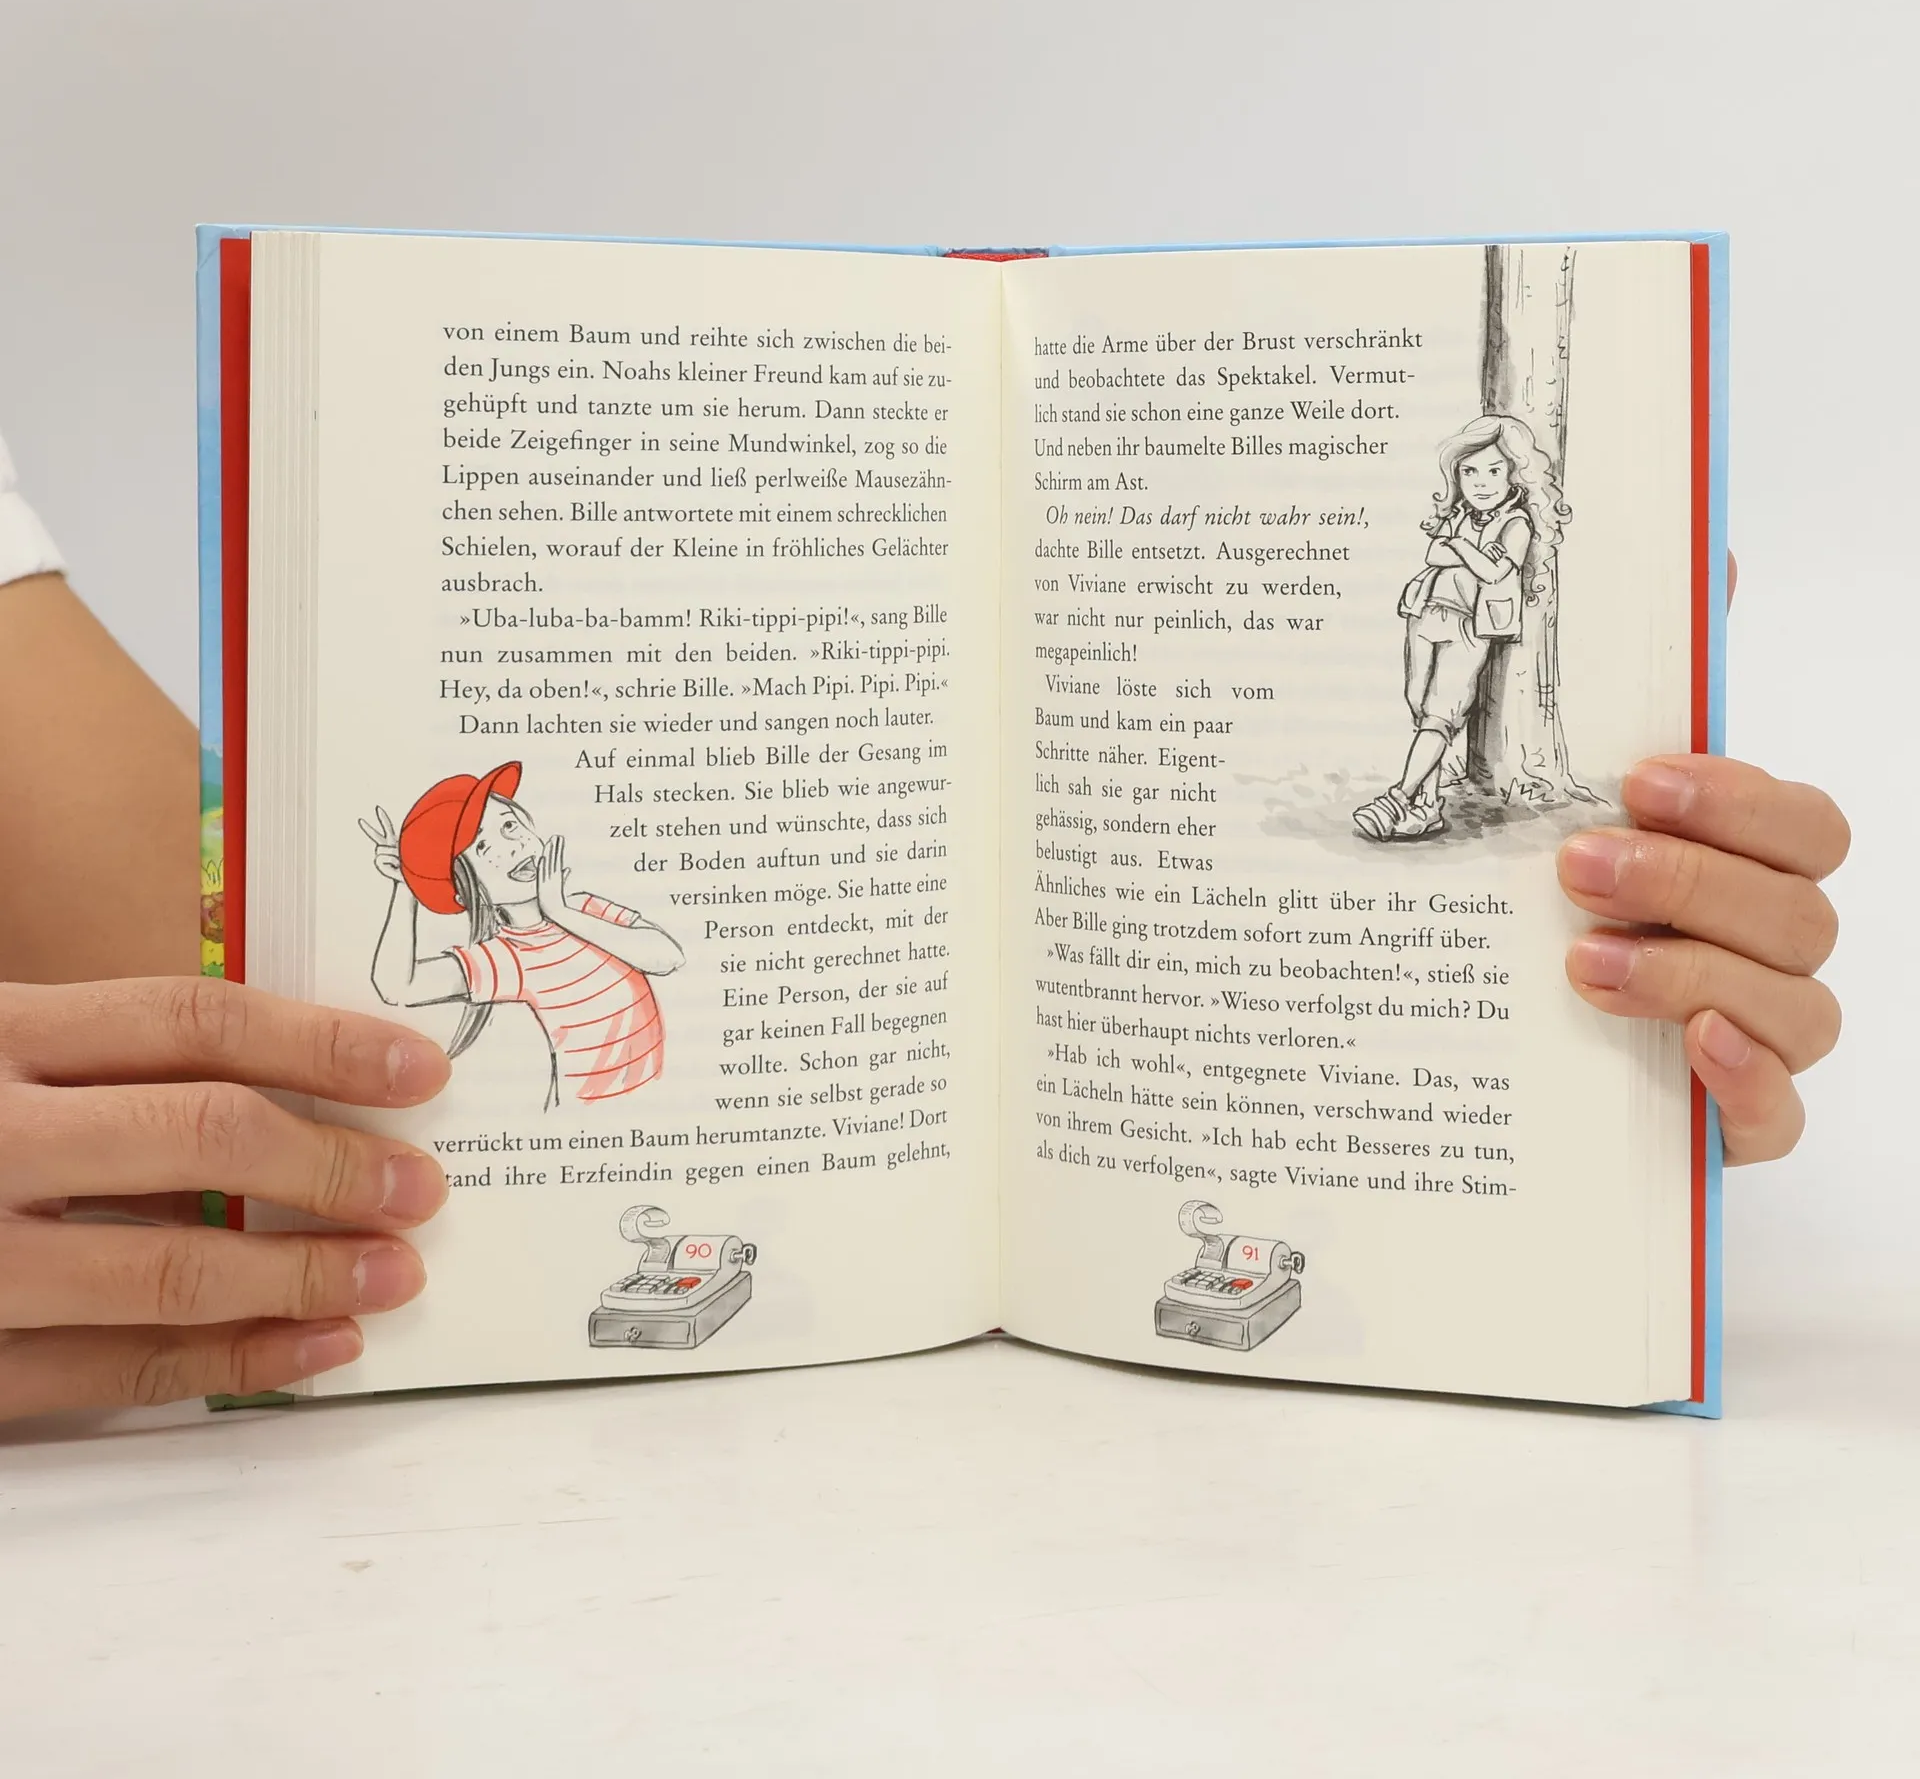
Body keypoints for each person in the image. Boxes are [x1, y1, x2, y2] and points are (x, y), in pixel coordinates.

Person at [0, 429, 1848, 1423]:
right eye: (503, 835)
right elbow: (359, 1032)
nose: (530, 840)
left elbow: (215, 1032)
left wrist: (1525, 1031)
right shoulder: (486, 938)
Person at [361, 761, 683, 1107]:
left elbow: (668, 957)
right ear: (463, 893)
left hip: (657, 1108)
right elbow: (398, 988)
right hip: (587, 1117)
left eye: (509, 825)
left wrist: (561, 912)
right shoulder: (509, 956)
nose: (512, 847)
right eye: (483, 848)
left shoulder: (585, 909)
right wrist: (405, 888)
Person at [1354, 413, 1550, 841]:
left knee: (1441, 713)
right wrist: (1469, 550)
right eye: (1469, 472)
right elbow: (1434, 555)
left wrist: (1459, 545)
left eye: (1493, 471)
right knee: (1418, 703)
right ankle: (1426, 807)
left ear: (1513, 473)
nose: (1481, 482)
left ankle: (1396, 799)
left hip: (1470, 624)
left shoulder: (1516, 523)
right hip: (1425, 611)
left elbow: (1494, 572)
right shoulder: (1460, 514)